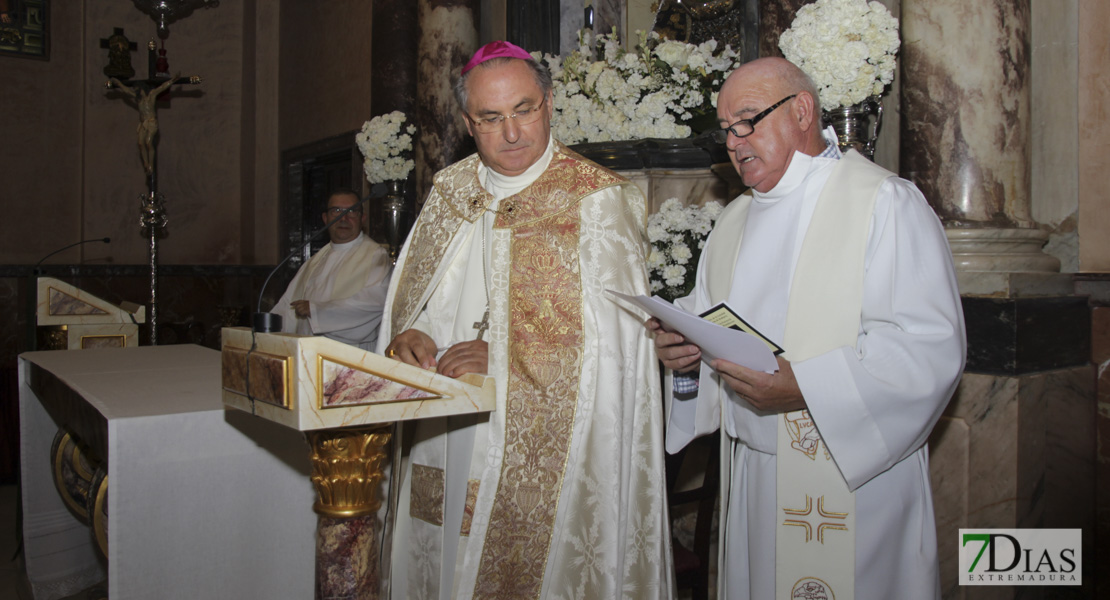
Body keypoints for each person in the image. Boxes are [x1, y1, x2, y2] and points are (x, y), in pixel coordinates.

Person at [651, 57, 965, 600]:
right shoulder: (732, 222)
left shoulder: (883, 203)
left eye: (747, 120)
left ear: (802, 110)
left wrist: (806, 388)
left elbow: (927, 349)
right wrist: (684, 354)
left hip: (855, 483)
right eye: (725, 128)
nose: (734, 140)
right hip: (753, 481)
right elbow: (710, 329)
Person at [379, 41, 673, 600]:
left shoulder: (596, 200)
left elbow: (617, 348)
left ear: (550, 103)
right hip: (444, 427)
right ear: (469, 124)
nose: (512, 133)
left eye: (524, 110)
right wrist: (408, 335)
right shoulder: (450, 193)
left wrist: (509, 358)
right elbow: (416, 301)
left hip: (546, 438)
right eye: (491, 118)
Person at [271, 188, 392, 351]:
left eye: (352, 211)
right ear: (325, 218)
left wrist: (317, 310)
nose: (344, 218)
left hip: (349, 355)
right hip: (307, 354)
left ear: (362, 219)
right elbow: (287, 305)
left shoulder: (375, 256)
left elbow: (375, 302)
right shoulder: (315, 260)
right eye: (336, 211)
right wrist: (266, 328)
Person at [107, 74, 179, 174]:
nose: (136, 92)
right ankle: (146, 164)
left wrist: (173, 80)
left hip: (151, 122)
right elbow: (126, 90)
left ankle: (151, 166)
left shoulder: (151, 95)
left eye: (138, 89)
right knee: (141, 143)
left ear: (142, 88)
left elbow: (163, 87)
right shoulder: (139, 99)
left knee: (149, 142)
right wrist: (118, 83)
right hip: (143, 123)